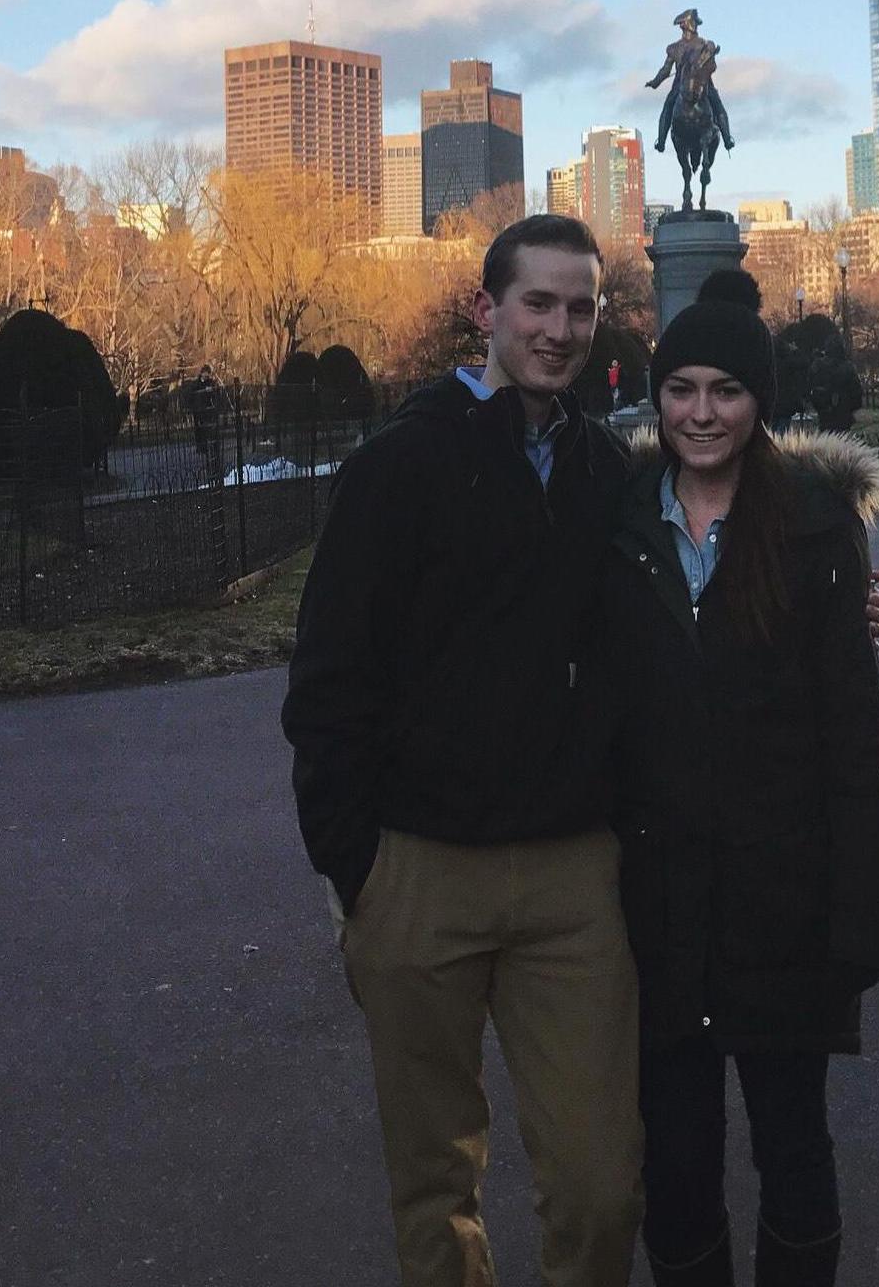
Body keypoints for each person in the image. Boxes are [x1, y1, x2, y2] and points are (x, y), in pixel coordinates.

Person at [283, 215, 643, 1287]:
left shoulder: (603, 468)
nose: (559, 327)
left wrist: (832, 599)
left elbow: (676, 607)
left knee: (599, 1183)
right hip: (418, 866)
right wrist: (356, 864)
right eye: (537, 302)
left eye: (578, 307)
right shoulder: (400, 462)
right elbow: (330, 679)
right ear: (486, 311)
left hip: (572, 873)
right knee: (434, 1185)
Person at [601, 296, 879, 1286]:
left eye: (725, 391)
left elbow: (854, 741)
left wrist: (860, 912)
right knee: (675, 1159)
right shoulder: (617, 523)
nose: (700, 411)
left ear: (758, 404)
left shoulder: (813, 530)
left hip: (781, 895)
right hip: (657, 902)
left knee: (792, 1143)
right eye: (681, 388)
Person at [645, 9, 736, 155]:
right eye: (692, 22)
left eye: (695, 22)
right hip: (679, 86)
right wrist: (655, 82)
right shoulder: (674, 48)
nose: (695, 25)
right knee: (668, 107)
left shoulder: (705, 44)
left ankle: (726, 137)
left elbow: (711, 65)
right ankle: (661, 141)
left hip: (704, 85)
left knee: (717, 104)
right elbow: (666, 70)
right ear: (685, 24)